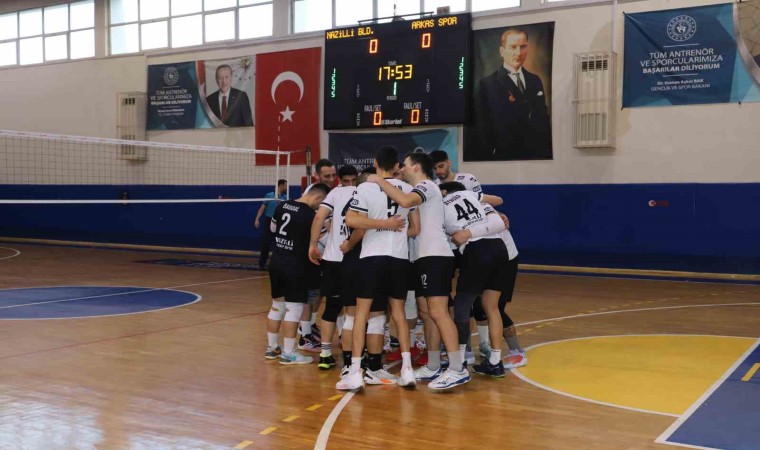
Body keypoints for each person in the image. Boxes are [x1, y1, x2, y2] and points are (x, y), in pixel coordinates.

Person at [367, 152, 470, 390]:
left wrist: (379, 180)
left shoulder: (426, 186)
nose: (401, 169)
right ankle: (433, 365)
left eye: (405, 165)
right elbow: (414, 226)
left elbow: (405, 202)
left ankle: (457, 368)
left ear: (416, 167)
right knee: (428, 312)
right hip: (424, 258)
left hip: (436, 257)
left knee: (439, 312)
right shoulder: (420, 189)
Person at [337, 146, 418, 390]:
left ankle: (355, 371)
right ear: (397, 166)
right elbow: (416, 228)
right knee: (399, 313)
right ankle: (407, 370)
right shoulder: (408, 189)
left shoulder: (366, 187)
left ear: (375, 163)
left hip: (372, 257)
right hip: (399, 258)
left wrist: (382, 224)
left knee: (361, 312)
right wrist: (394, 228)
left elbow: (351, 219)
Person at [439, 181, 510, 378]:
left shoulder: (442, 203)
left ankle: (460, 360)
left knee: (462, 305)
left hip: (476, 250)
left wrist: (467, 233)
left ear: (445, 191)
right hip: (499, 249)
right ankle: (495, 362)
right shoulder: (474, 198)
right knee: (492, 307)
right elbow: (498, 214)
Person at [264, 183, 330, 365]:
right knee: (294, 309)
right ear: (319, 198)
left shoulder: (281, 205)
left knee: (277, 307)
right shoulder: (312, 216)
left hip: (276, 263)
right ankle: (289, 354)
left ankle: (272, 348)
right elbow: (326, 241)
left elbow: (272, 229)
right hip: (296, 267)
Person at [470, 29, 551, 161]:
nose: (518, 53)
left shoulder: (535, 80)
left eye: (523, 47)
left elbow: (543, 120)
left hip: (537, 156)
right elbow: (482, 129)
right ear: (502, 51)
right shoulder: (487, 84)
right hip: (504, 157)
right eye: (513, 47)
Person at [307, 165, 359, 370]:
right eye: (348, 181)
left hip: (333, 259)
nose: (350, 184)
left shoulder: (335, 193)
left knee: (332, 307)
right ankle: (351, 356)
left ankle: (326, 354)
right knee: (353, 310)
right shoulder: (364, 192)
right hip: (354, 258)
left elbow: (319, 217)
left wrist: (312, 244)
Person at [429, 150, 503, 206]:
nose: (438, 171)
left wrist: (494, 213)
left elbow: (482, 203)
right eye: (434, 168)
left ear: (449, 163)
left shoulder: (468, 179)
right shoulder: (433, 187)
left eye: (441, 166)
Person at [254, 179, 288, 270]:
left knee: (279, 244)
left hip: (280, 222)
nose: (286, 187)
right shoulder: (269, 195)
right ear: (280, 185)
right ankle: (262, 264)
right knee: (266, 243)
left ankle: (277, 264)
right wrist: (257, 219)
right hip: (269, 221)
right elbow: (262, 208)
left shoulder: (285, 197)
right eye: (285, 186)